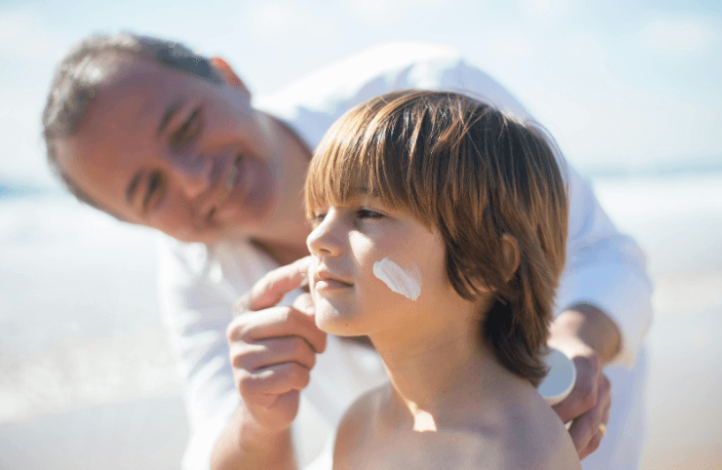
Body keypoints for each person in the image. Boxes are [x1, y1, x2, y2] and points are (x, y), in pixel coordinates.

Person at [42, 33, 652, 470]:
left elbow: (602, 255)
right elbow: (218, 448)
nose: (194, 178)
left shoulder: (435, 103)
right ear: (133, 222)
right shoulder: (356, 426)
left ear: (229, 76)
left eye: (185, 127)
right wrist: (259, 419)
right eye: (149, 191)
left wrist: (574, 348)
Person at [304, 89, 581, 470]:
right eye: (319, 215)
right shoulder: (360, 425)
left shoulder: (518, 453)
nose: (316, 238)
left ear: (485, 263)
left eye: (368, 212)